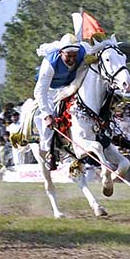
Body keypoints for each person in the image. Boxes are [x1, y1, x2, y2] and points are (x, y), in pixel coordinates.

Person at [33, 33, 90, 169]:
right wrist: (47, 115)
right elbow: (39, 91)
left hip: (71, 86)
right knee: (50, 116)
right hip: (50, 91)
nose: (71, 59)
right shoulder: (50, 63)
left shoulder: (83, 51)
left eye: (74, 56)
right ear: (60, 52)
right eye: (68, 56)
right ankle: (49, 152)